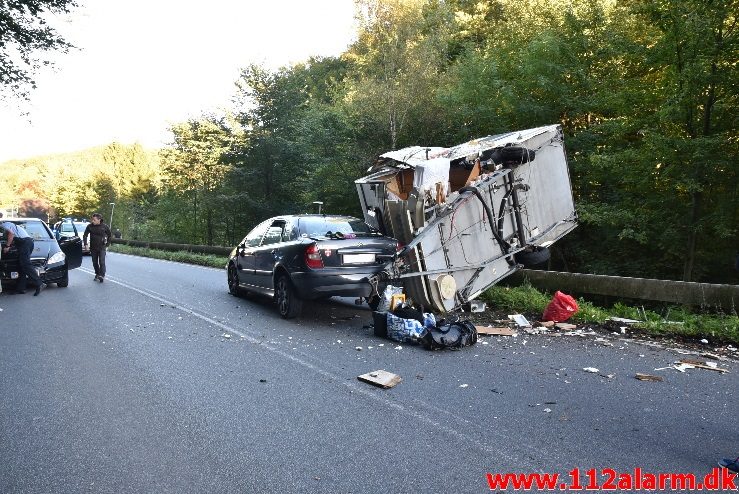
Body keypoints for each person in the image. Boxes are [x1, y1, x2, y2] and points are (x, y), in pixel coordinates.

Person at [1, 214, 46, 295]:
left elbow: (11, 234)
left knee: (25, 264)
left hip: (25, 243)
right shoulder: (9, 225)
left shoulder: (4, 224)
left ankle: (39, 283)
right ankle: (21, 288)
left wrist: (7, 246)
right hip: (26, 243)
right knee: (22, 266)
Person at [83, 213, 112, 283]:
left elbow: (110, 236)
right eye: (92, 219)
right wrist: (86, 244)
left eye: (94, 220)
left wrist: (107, 245)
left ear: (99, 220)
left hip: (102, 247)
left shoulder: (105, 226)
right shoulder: (89, 226)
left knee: (102, 262)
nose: (92, 221)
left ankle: (102, 275)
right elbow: (85, 235)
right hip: (93, 247)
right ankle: (97, 273)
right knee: (95, 262)